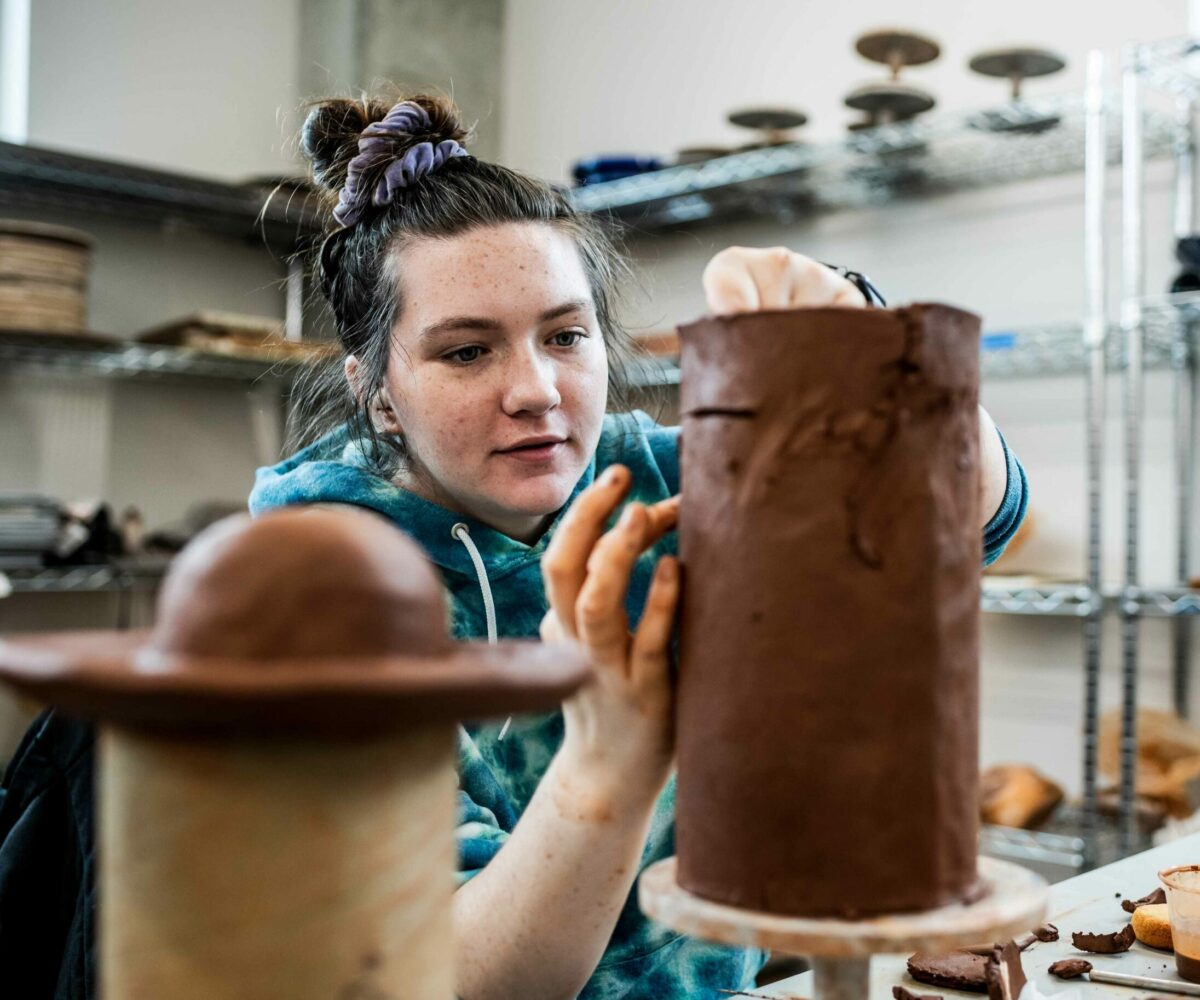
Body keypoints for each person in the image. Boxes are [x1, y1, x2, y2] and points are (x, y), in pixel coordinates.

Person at [246, 91, 1028, 1000]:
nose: (536, 390)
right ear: (378, 391)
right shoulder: (320, 594)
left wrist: (875, 346)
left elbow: (969, 523)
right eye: (467, 352)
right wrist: (608, 757)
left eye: (566, 335)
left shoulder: (649, 481)